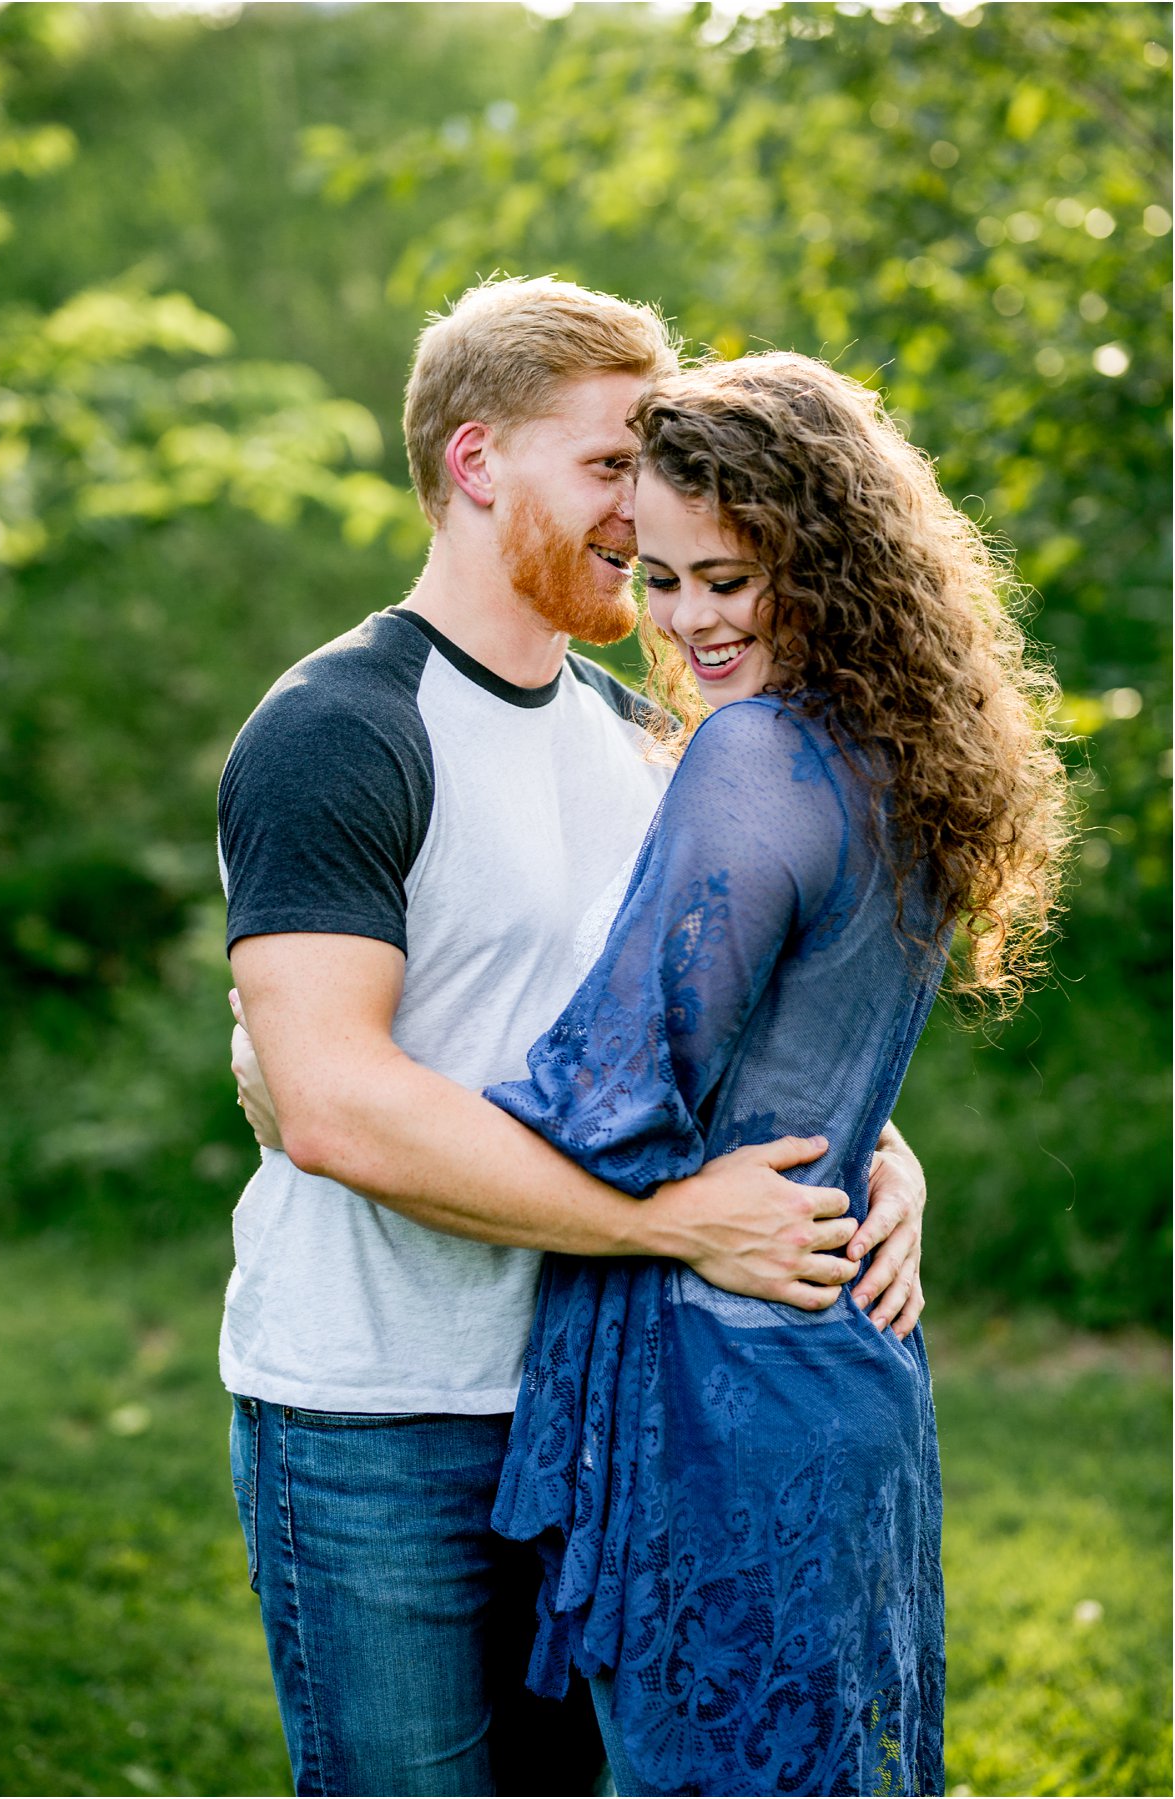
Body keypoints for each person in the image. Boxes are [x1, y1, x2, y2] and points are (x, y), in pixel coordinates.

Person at [216, 279, 931, 1798]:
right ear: (478, 462)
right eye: (612, 464)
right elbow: (334, 1107)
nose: (645, 506)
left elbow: (709, 1025)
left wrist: (875, 1157)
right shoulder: (341, 727)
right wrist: (677, 1227)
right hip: (379, 1416)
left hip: (593, 1410)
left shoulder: (652, 736)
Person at [479, 353, 1068, 1795]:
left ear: (822, 556)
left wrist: (335, 1085)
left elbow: (613, 1101)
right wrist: (884, 1149)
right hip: (842, 1354)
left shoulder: (750, 753)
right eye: (659, 579)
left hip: (719, 1378)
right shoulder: (908, 751)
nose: (686, 624)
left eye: (728, 579)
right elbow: (808, 1049)